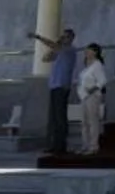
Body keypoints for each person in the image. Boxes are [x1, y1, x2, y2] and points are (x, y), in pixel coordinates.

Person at [28, 26, 78, 155]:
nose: (63, 39)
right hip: (55, 86)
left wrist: (38, 37)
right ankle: (54, 145)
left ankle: (61, 146)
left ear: (71, 38)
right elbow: (45, 58)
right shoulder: (59, 51)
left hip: (62, 86)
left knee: (60, 117)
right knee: (54, 118)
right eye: (62, 37)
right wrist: (56, 45)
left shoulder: (70, 50)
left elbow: (52, 45)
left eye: (65, 37)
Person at [77, 43, 109, 157]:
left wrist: (93, 89)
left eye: (89, 50)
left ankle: (93, 146)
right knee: (84, 122)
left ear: (95, 52)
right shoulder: (87, 66)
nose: (86, 52)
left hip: (92, 96)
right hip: (84, 96)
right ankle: (85, 145)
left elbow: (102, 81)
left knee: (92, 121)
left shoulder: (97, 65)